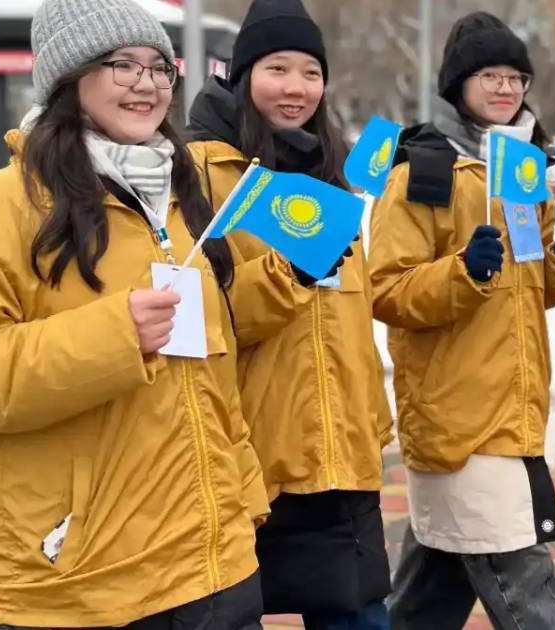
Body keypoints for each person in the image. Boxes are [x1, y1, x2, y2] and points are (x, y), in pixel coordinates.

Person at [0, 0, 305, 626]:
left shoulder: (180, 198)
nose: (146, 84)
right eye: (122, 65)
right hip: (73, 584)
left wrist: (239, 498)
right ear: (68, 78)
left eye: (159, 67)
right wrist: (114, 337)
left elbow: (208, 370)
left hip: (210, 564)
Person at [367, 11, 555, 630]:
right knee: (525, 585)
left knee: (430, 591)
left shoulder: (527, 173)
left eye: (516, 77)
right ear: (458, 85)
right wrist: (461, 272)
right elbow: (386, 291)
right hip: (458, 417)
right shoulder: (424, 169)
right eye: (489, 75)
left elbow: (527, 293)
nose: (505, 88)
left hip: (514, 409)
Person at [186, 1, 394, 628]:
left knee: (361, 618)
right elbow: (200, 316)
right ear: (243, 74)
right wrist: (290, 273)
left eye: (311, 71)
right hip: (248, 456)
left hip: (340, 453)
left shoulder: (336, 170)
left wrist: (369, 417)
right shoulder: (201, 172)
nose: (297, 88)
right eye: (278, 68)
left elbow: (351, 319)